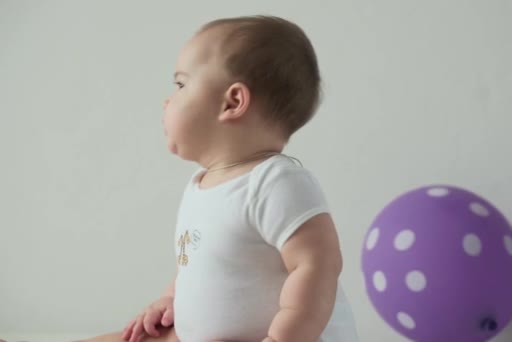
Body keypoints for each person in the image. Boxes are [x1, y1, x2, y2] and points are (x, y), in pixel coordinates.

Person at [85, 15, 358, 342]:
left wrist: (285, 336)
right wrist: (170, 300)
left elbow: (317, 266)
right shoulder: (201, 184)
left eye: (181, 84)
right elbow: (197, 267)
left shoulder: (275, 182)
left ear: (233, 102)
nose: (167, 100)